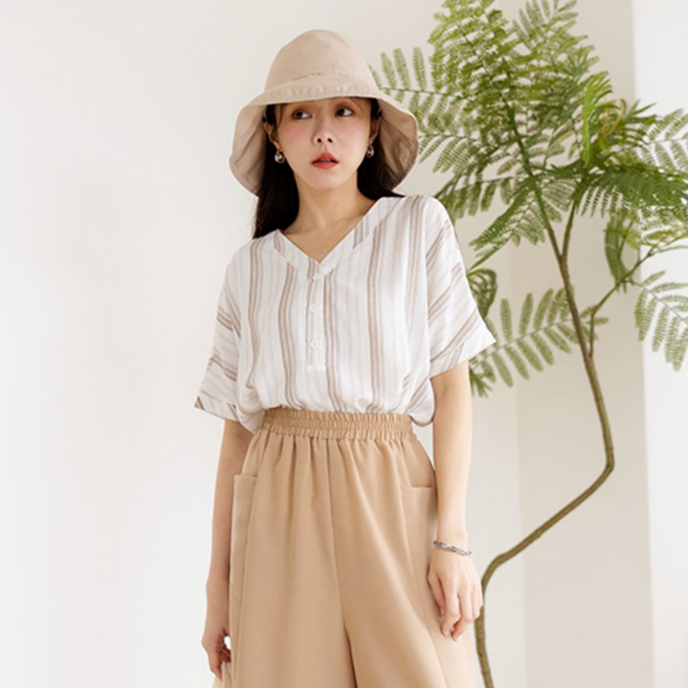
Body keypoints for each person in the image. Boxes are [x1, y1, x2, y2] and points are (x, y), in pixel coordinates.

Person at [195, 28, 496, 688]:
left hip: (388, 484)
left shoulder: (418, 228)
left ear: (372, 127)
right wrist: (218, 587)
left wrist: (452, 539)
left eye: (344, 111)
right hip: (278, 499)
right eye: (301, 114)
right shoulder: (250, 268)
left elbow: (453, 390)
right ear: (275, 135)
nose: (324, 133)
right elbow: (237, 434)